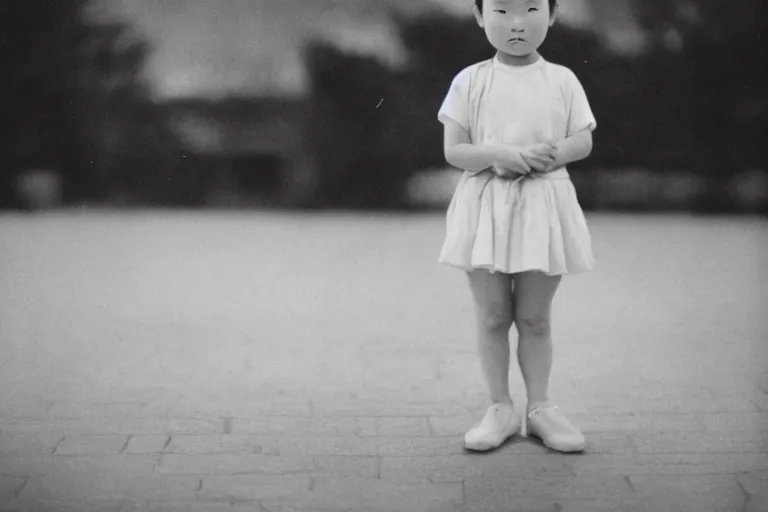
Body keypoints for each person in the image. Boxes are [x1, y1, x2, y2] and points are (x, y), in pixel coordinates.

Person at [437, 0, 596, 453]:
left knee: (534, 317)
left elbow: (583, 137)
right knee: (492, 316)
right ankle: (500, 407)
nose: (517, 24)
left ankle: (541, 408)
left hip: (543, 202)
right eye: (502, 11)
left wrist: (555, 152)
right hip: (486, 203)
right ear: (479, 15)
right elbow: (455, 150)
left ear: (552, 14)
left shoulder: (562, 79)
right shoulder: (471, 81)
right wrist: (500, 154)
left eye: (530, 9)